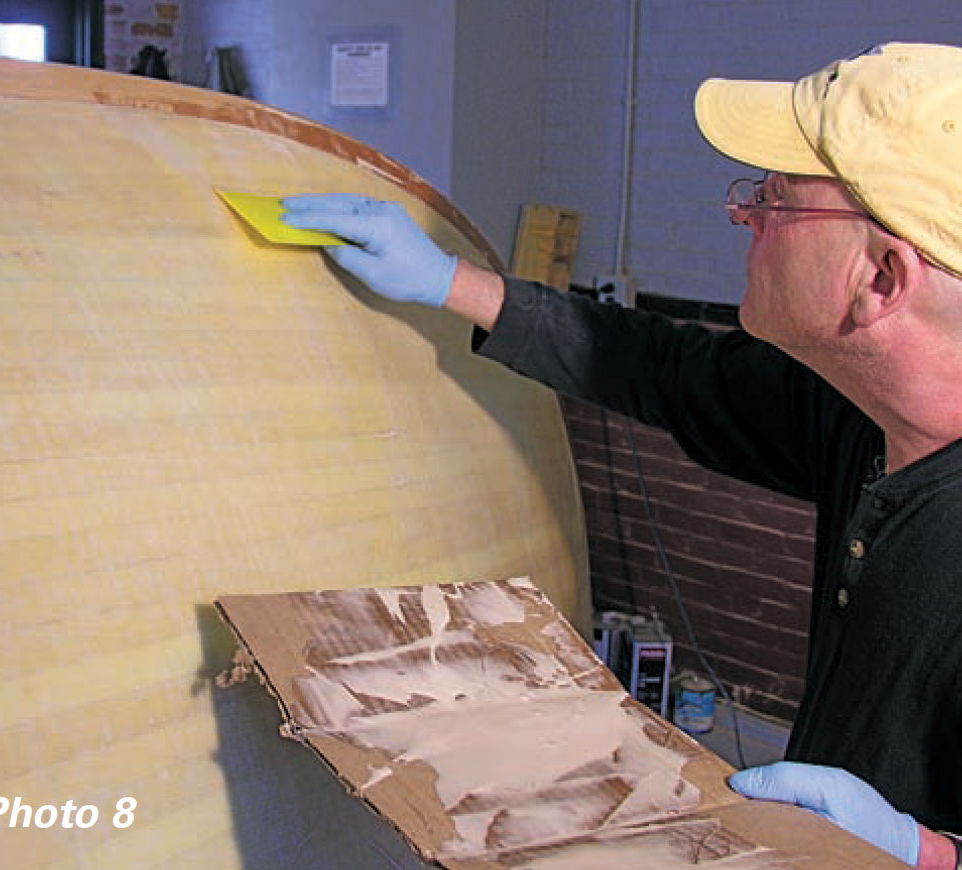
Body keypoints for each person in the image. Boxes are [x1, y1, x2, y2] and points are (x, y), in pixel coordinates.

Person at [281, 42, 962, 868]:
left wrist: (929, 853)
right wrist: (449, 281)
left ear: (881, 280)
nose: (741, 213)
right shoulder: (861, 413)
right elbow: (669, 371)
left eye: (778, 200)